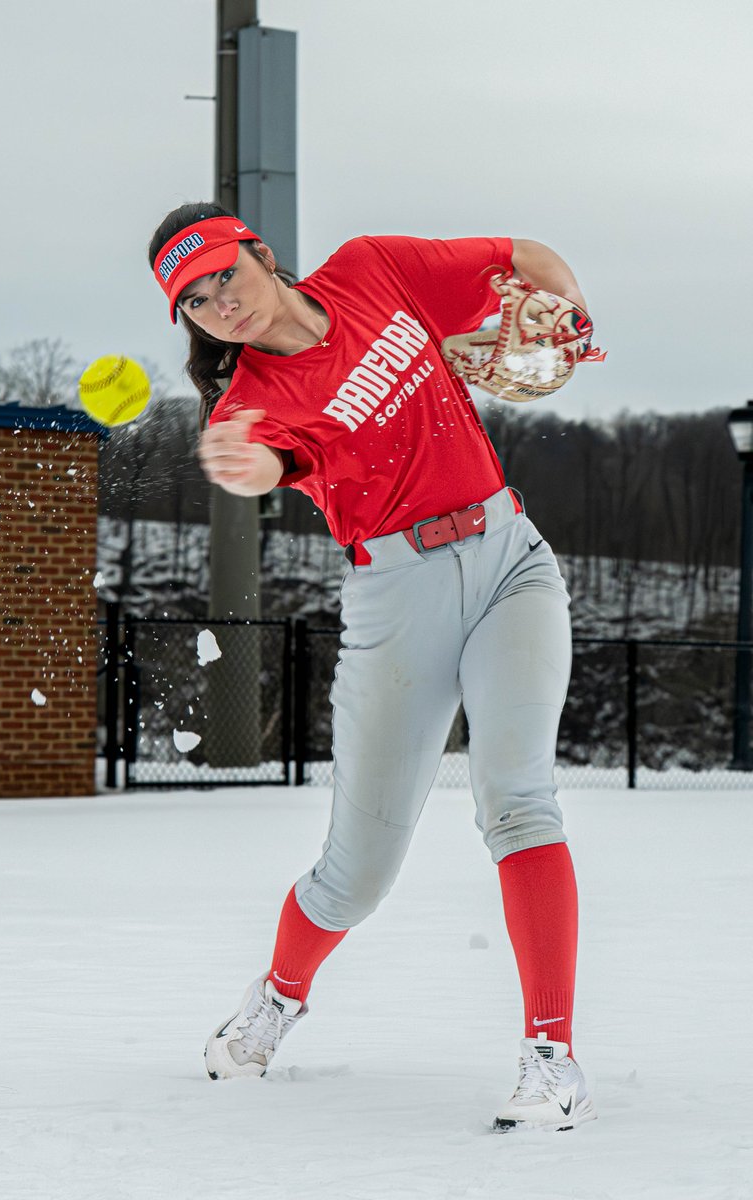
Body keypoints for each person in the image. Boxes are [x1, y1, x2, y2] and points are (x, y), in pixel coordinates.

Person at [148, 202, 596, 1132]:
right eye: (193, 300)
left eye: (224, 273)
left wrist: (573, 309)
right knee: (357, 874)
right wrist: (244, 462)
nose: (217, 302)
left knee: (519, 800)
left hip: (511, 556)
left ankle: (550, 1055)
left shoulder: (371, 270)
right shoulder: (250, 405)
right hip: (399, 599)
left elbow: (522, 253)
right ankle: (278, 995)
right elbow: (266, 461)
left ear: (261, 255)